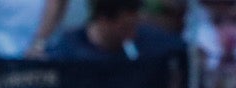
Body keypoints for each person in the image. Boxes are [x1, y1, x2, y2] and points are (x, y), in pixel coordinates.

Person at [44, 0, 178, 57]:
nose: (132, 34)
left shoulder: (143, 44)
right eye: (125, 28)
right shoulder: (67, 51)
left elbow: (181, 50)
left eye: (134, 26)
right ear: (104, 20)